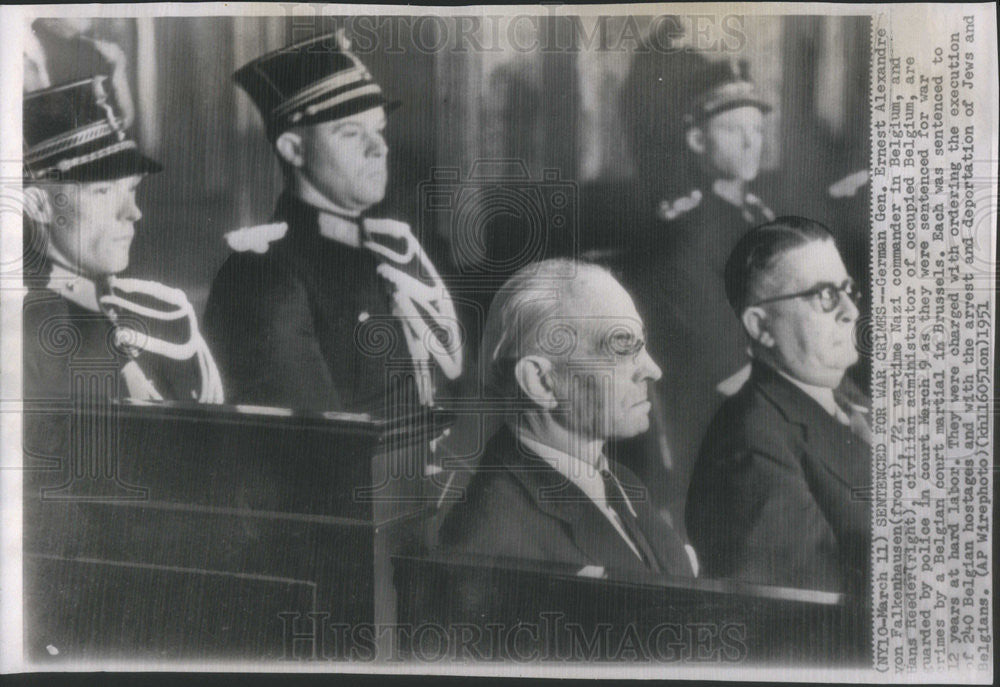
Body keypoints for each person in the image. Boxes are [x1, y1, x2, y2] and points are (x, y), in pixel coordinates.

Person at [203, 31, 462, 415]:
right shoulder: (261, 277)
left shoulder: (396, 253)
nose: (379, 148)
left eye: (378, 130)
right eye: (351, 133)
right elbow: (317, 452)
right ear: (294, 149)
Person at [437, 259, 697, 579]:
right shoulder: (491, 541)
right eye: (621, 347)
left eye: (641, 346)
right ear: (541, 382)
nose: (653, 369)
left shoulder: (620, 480)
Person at [619, 57, 778, 533]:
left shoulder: (755, 213)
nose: (752, 141)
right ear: (697, 140)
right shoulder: (684, 235)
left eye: (756, 128)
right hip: (719, 429)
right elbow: (726, 369)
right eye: (733, 130)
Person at [685, 217, 871, 595]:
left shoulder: (847, 397)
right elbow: (806, 622)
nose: (851, 310)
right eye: (825, 296)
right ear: (762, 326)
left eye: (847, 289)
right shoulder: (749, 448)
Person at [22, 76, 223, 408]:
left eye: (130, 189)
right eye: (102, 192)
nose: (133, 212)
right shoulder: (20, 330)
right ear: (39, 206)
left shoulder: (164, 314)